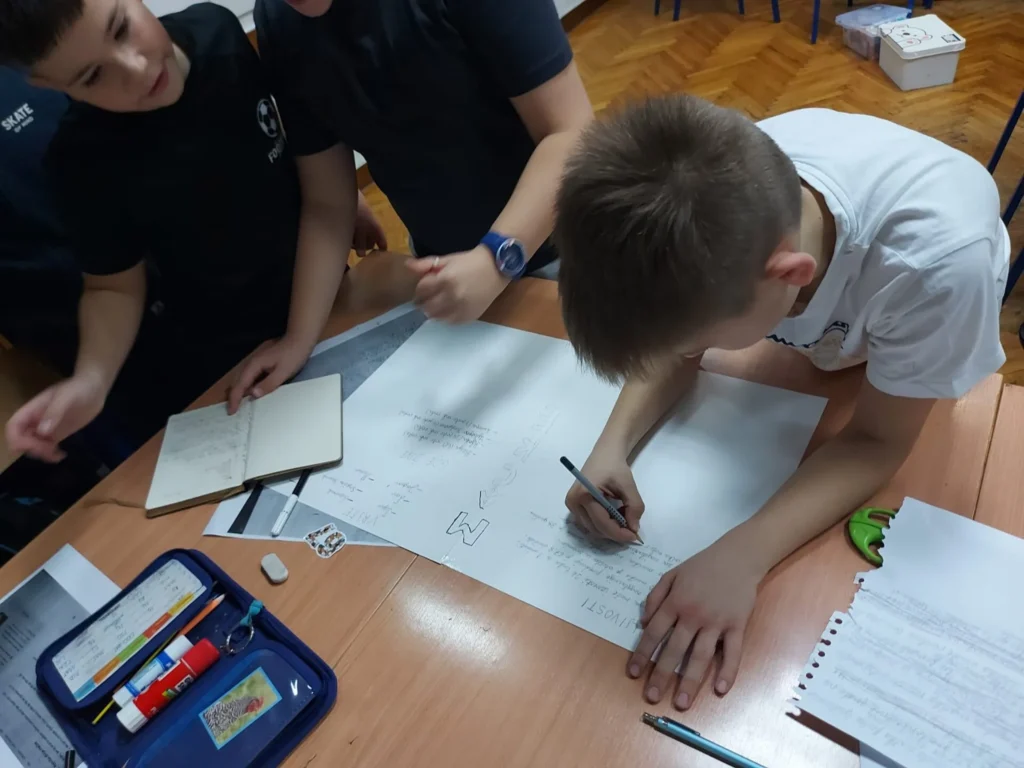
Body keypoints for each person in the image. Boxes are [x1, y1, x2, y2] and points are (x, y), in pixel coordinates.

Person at [555, 95, 1009, 711]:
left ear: (791, 275)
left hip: (929, 305)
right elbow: (676, 346)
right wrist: (612, 448)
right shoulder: (715, 199)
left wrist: (744, 555)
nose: (687, 354)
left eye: (697, 342)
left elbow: (878, 440)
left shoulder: (938, 271)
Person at [0, 0, 385, 463]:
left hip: (322, 292)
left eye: (121, 29)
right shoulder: (81, 162)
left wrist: (338, 195)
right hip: (228, 357)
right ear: (48, 85)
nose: (136, 69)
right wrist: (92, 379)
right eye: (93, 76)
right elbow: (113, 287)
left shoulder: (218, 30)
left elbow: (284, 128)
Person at [227, 0, 594, 412]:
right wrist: (298, 340)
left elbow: (571, 134)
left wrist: (495, 259)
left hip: (570, 259)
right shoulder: (280, 22)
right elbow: (328, 203)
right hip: (451, 276)